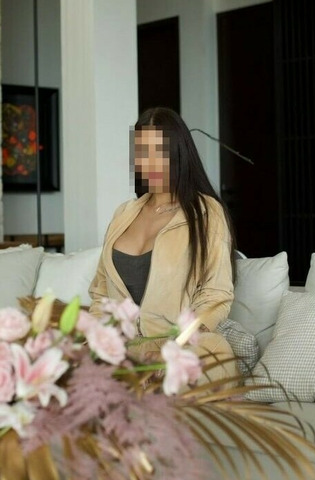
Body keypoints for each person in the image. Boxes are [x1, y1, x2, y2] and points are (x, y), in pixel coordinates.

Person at [88, 106, 239, 383]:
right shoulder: (123, 214)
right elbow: (100, 294)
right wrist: (96, 343)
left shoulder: (206, 212)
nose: (152, 163)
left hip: (186, 347)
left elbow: (215, 296)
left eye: (161, 152)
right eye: (143, 152)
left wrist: (171, 350)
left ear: (179, 154)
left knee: (199, 357)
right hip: (127, 352)